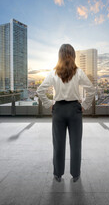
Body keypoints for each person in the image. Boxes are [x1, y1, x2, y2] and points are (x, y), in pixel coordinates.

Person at [36, 44, 96, 183]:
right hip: (75, 110)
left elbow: (39, 90)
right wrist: (85, 105)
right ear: (73, 55)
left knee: (58, 144)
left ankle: (57, 174)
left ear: (59, 55)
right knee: (76, 144)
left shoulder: (53, 72)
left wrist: (48, 104)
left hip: (58, 111)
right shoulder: (79, 72)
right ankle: (75, 175)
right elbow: (92, 90)